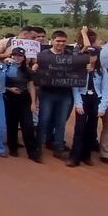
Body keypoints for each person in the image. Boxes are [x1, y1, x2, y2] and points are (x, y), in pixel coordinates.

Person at [36, 31, 78, 161]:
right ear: (52, 41)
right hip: (47, 92)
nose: (61, 44)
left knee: (61, 122)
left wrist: (84, 68)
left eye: (63, 41)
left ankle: (58, 148)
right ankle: (38, 147)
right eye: (58, 41)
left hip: (64, 93)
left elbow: (78, 68)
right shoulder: (43, 55)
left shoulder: (70, 56)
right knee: (44, 120)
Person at [68, 47, 108, 167]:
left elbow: (104, 90)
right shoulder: (80, 69)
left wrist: (102, 107)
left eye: (92, 55)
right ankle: (74, 157)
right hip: (83, 98)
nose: (90, 57)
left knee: (91, 128)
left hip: (95, 99)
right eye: (88, 55)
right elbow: (75, 88)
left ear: (97, 56)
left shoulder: (102, 70)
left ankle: (86, 155)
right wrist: (78, 103)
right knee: (79, 128)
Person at [4, 48, 41, 163]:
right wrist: (10, 89)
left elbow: (31, 87)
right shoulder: (5, 68)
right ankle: (12, 147)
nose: (17, 58)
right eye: (14, 55)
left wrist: (33, 102)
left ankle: (32, 152)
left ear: (24, 57)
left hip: (24, 98)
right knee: (12, 123)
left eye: (20, 55)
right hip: (10, 98)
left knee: (28, 125)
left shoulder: (28, 71)